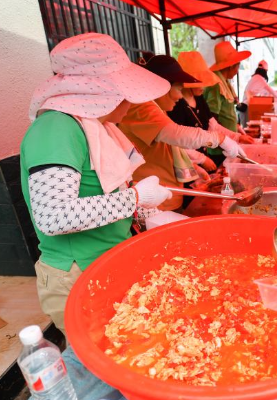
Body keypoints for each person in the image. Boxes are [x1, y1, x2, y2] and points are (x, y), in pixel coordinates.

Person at [20, 33, 173, 337]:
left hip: (105, 263)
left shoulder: (93, 128)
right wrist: (136, 197)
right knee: (100, 364)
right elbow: (54, 216)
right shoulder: (56, 129)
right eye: (124, 91)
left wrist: (141, 207)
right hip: (76, 275)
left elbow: (99, 191)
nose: (130, 101)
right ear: (101, 91)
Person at [119, 55, 247, 212]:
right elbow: (176, 135)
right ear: (162, 86)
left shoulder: (158, 109)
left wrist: (193, 167)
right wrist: (219, 139)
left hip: (168, 196)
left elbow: (167, 148)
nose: (180, 96)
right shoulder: (140, 107)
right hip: (154, 204)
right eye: (179, 89)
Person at [167, 51, 220, 173]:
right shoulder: (175, 105)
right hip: (185, 165)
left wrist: (233, 138)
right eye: (200, 82)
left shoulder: (199, 97)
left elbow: (212, 125)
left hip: (202, 159)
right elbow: (176, 141)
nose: (203, 86)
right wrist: (201, 159)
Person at [204, 41, 252, 165]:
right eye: (238, 66)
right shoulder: (216, 84)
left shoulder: (224, 81)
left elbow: (226, 112)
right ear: (231, 66)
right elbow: (212, 119)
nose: (237, 71)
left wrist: (236, 127)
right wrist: (225, 140)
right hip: (220, 146)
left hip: (228, 140)